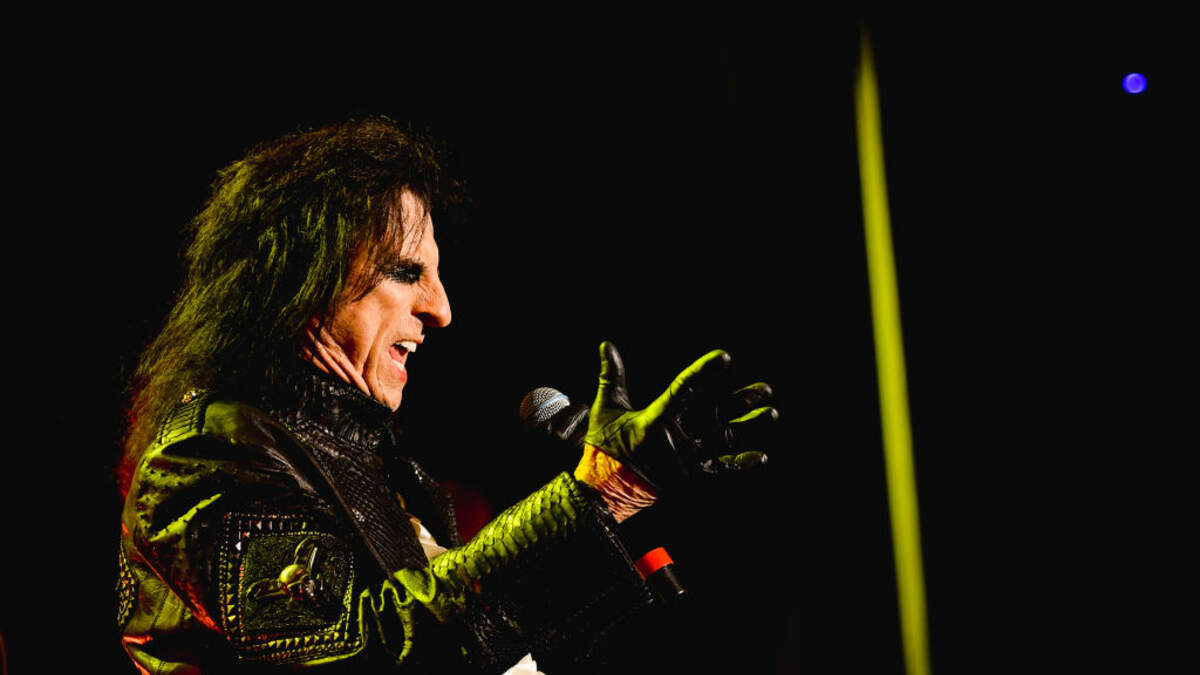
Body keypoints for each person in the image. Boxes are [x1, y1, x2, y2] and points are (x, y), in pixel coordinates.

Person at [116, 117, 777, 672]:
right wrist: (600, 493)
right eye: (407, 272)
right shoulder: (205, 460)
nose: (441, 309)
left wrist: (613, 503)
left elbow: (475, 643)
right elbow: (382, 651)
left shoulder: (375, 464)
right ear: (301, 277)